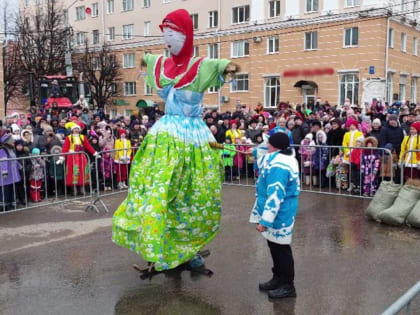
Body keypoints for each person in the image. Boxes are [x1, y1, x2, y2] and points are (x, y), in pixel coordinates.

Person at [112, 9, 239, 272]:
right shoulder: (161, 64)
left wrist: (230, 67)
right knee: (158, 192)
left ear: (187, 36)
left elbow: (230, 67)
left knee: (192, 197)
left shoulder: (202, 66)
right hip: (165, 136)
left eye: (173, 34)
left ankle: (187, 250)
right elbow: (146, 59)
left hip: (193, 139)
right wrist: (142, 62)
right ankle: (160, 247)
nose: (167, 40)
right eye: (164, 35)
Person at [250, 132, 299, 299]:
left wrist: (265, 221)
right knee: (274, 245)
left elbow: (275, 196)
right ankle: (277, 278)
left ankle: (288, 285)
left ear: (275, 147)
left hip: (280, 213)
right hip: (277, 213)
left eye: (268, 144)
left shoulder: (279, 166)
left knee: (281, 248)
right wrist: (255, 152)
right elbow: (263, 154)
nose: (266, 146)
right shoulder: (280, 156)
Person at [58, 123, 100, 195]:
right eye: (75, 129)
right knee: (73, 172)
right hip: (72, 157)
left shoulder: (83, 137)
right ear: (72, 130)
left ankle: (82, 188)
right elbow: (65, 148)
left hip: (81, 157)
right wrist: (62, 157)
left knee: (83, 172)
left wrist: (94, 153)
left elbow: (88, 146)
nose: (76, 130)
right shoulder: (69, 137)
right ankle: (74, 189)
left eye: (77, 129)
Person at [0, 131, 21, 211]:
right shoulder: (3, 150)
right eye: (11, 140)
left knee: (12, 189)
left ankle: (12, 203)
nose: (13, 142)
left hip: (12, 174)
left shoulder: (11, 149)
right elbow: (3, 162)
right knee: (5, 190)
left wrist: (19, 166)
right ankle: (4, 205)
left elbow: (14, 160)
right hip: (6, 175)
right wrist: (4, 172)